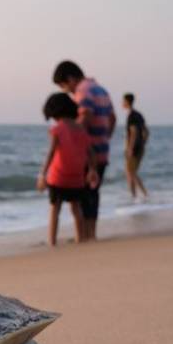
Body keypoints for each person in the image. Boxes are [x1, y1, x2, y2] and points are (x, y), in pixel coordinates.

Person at [52, 61, 115, 241]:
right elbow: (112, 118)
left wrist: (70, 135)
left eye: (65, 86)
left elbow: (85, 116)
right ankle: (91, 233)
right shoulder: (101, 90)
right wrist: (105, 137)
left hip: (88, 153)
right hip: (102, 150)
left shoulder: (83, 91)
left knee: (84, 195)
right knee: (93, 193)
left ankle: (86, 235)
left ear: (71, 78)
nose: (67, 91)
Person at [37, 93, 96, 246]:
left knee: (55, 210)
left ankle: (52, 241)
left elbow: (51, 153)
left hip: (58, 177)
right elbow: (90, 153)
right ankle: (80, 238)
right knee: (76, 210)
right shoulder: (81, 130)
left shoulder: (57, 129)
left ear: (55, 113)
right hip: (76, 177)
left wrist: (42, 174)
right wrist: (92, 170)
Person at [121, 93, 150, 200]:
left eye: (123, 101)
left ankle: (137, 195)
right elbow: (146, 132)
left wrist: (130, 148)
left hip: (134, 148)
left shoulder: (132, 116)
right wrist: (143, 143)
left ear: (127, 102)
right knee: (131, 172)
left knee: (130, 172)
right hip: (140, 147)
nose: (122, 103)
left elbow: (134, 132)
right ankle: (139, 195)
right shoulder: (139, 115)